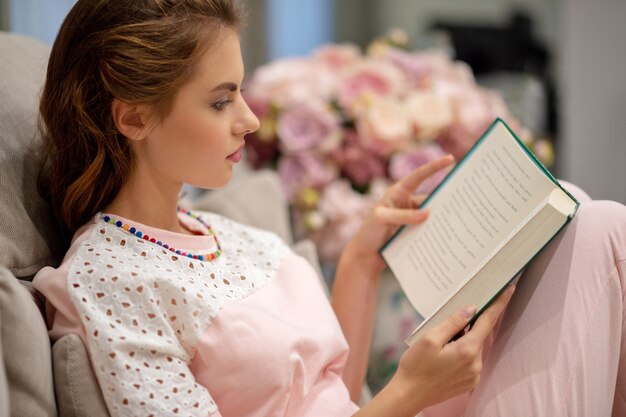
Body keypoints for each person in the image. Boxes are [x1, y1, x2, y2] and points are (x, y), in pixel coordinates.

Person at [32, 0, 626, 416]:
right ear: (133, 117)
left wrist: (363, 259)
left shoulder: (228, 232)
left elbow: (330, 388)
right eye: (220, 101)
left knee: (586, 217)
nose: (250, 119)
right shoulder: (109, 280)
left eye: (240, 90)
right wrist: (407, 394)